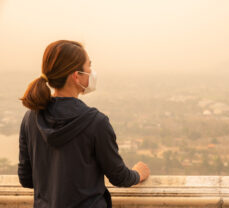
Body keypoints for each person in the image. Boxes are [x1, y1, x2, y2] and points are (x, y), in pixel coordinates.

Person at [18, 40, 150, 208]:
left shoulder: (31, 118)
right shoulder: (96, 123)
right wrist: (138, 174)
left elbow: (26, 178)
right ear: (76, 76)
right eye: (89, 66)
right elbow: (119, 177)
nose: (92, 72)